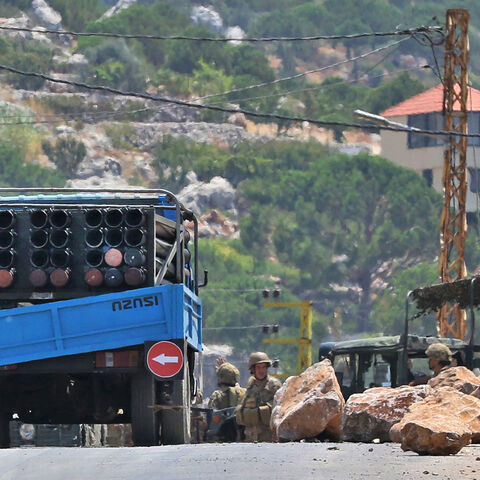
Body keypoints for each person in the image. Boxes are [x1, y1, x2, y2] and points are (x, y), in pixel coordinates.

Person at [236, 351, 282, 442]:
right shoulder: (251, 386)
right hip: (250, 436)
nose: (261, 371)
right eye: (258, 367)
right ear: (252, 369)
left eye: (264, 367)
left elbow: (280, 408)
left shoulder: (273, 385)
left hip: (268, 435)